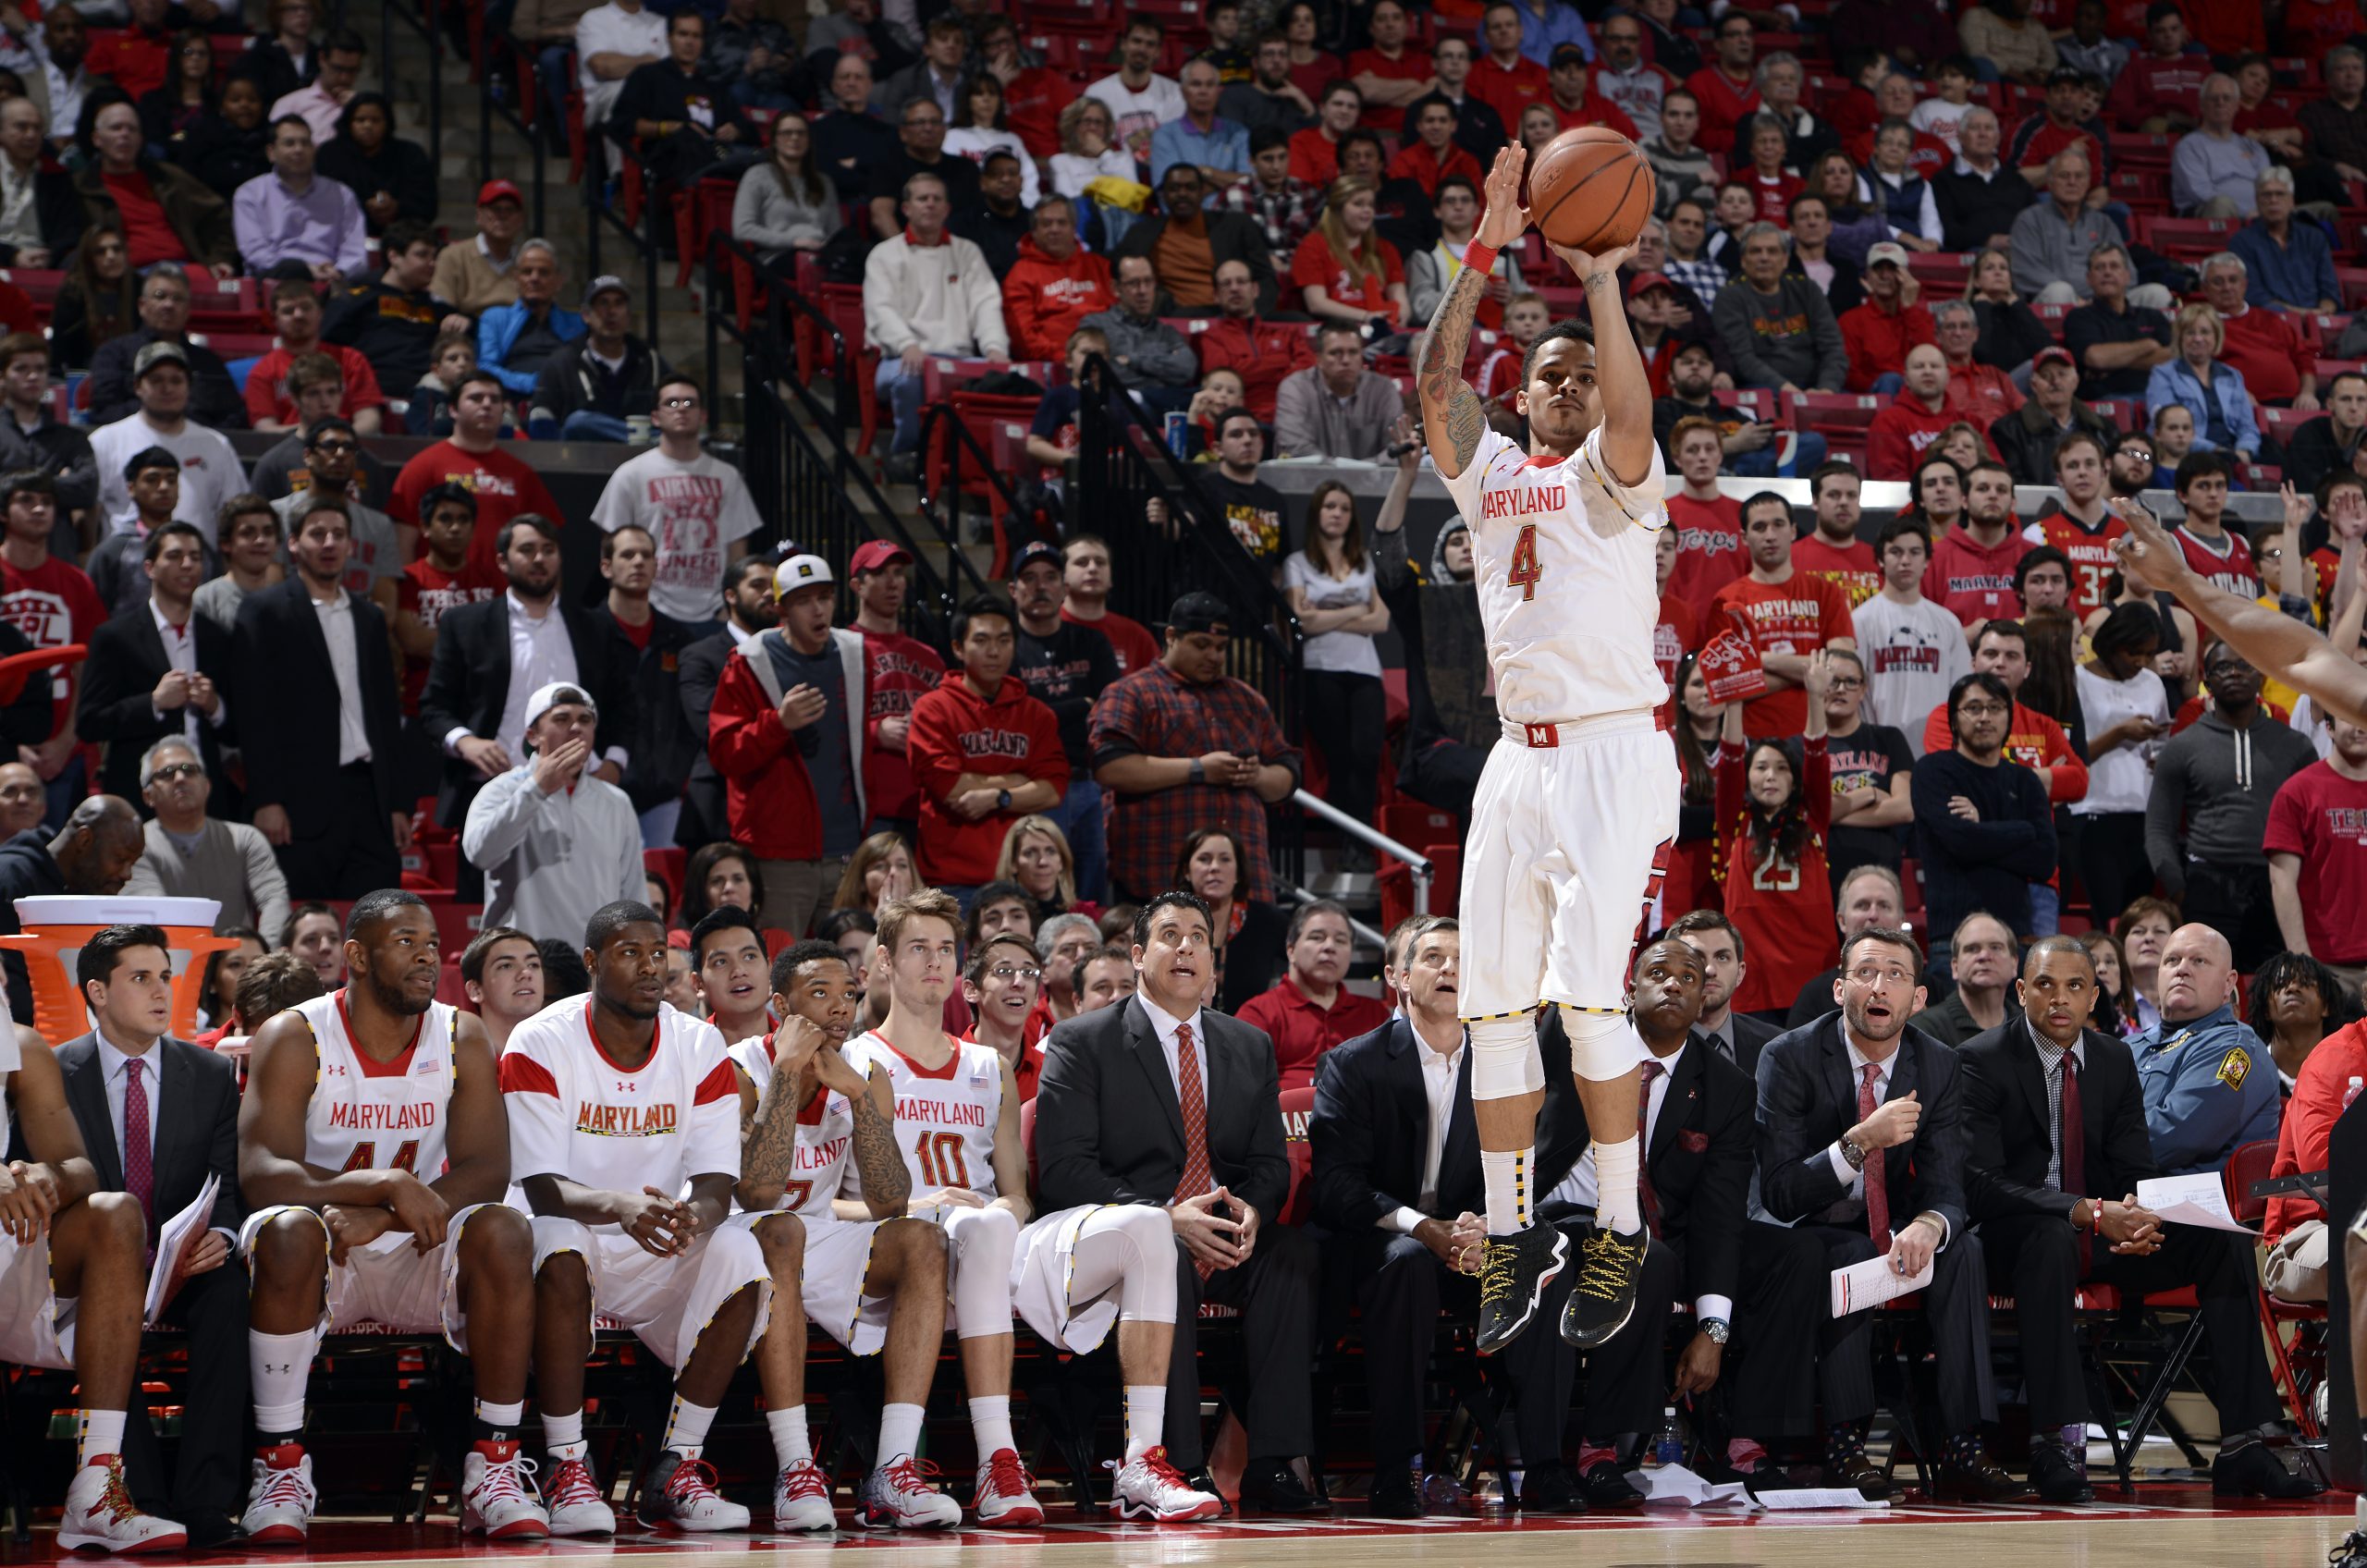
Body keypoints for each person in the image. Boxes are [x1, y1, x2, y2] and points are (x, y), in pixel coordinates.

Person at [1414, 140, 1675, 1355]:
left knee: (1588, 1000)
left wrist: (1603, 279)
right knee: (1499, 1010)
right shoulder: (1495, 476)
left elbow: (1632, 408)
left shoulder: (1617, 480)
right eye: (1551, 373)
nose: (1568, 386)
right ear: (1525, 395)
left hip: (1616, 754)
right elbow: (1430, 387)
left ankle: (1620, 1227)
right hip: (1516, 760)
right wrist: (1487, 242)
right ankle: (1514, 1238)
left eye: (1580, 374)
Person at [1959, 936, 2318, 1501]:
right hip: (2017, 1236)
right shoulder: (1982, 1059)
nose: (2060, 999)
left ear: (2093, 998)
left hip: (2102, 1229)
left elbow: (2135, 1164)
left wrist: (2138, 1216)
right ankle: (2055, 1443)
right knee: (2053, 1236)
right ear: (2022, 991)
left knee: (2216, 1240)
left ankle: (2247, 1443)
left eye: (2075, 986)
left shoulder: (2112, 1058)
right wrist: (2085, 1211)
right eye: (2046, 985)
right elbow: (1980, 1183)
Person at [234, 892, 546, 1542]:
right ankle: (280, 1467)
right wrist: (380, 1185)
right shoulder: (296, 1034)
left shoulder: (461, 1034)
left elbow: (489, 1167)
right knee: (289, 1230)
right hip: (321, 1249)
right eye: (405, 942)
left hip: (410, 1244)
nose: (427, 955)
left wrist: (386, 1215)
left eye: (432, 943)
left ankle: (494, 1464)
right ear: (356, 955)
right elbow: (262, 1171)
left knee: (505, 1228)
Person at [1033, 889, 1319, 1509]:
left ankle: (1274, 1465)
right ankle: (1177, 1465)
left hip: (1221, 1231)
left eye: (1198, 936)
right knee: (1159, 1259)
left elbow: (1271, 1163)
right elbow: (1064, 1170)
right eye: (1169, 934)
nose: (1186, 945)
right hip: (1130, 1233)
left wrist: (1251, 1213)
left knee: (1290, 1254)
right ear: (1138, 954)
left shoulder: (1247, 1045)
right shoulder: (1083, 1041)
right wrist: (1164, 1218)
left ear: (1214, 965)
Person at [502, 900, 770, 1533]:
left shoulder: (699, 1042)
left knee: (741, 1254)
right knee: (563, 1241)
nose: (650, 968)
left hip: (654, 1234)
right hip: (563, 1237)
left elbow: (715, 1181)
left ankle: (677, 1466)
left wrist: (693, 1220)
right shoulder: (539, 1039)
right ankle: (569, 1467)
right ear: (593, 962)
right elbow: (541, 1188)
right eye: (630, 954)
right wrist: (622, 1207)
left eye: (658, 954)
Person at [1310, 917, 1588, 1514]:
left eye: (1463, 960)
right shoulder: (1353, 1064)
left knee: (1547, 1267)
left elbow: (1527, 1165)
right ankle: (1396, 1468)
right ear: (1401, 977)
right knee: (1408, 1263)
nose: (1450, 970)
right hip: (1382, 1245)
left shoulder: (1506, 1065)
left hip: (1473, 1241)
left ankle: (1544, 1464)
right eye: (1433, 958)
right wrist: (1422, 1227)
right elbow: (1336, 1186)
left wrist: (1493, 1224)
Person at [1756, 925, 2026, 1499]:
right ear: (1839, 989)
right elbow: (1778, 1192)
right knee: (1850, 1251)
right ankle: (1846, 1444)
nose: (1880, 987)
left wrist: (1930, 1225)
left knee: (1963, 1249)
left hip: (1898, 1228)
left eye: (1897, 976)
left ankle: (1963, 1444)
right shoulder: (1788, 1057)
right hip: (1812, 1233)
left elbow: (1948, 1184)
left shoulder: (1939, 1064)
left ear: (1919, 998)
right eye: (1866, 973)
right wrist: (1857, 1144)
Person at [724, 939, 968, 1531]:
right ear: (780, 1006)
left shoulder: (865, 1074)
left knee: (922, 1241)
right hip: (735, 1242)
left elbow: (889, 1201)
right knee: (779, 1229)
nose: (841, 1008)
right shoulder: (738, 1069)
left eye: (849, 995)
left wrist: (858, 1095)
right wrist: (787, 1072)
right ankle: (795, 1467)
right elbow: (755, 1193)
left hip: (818, 1239)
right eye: (820, 994)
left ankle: (894, 1468)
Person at [828, 888, 1044, 1524]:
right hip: (885, 1252)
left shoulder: (987, 1065)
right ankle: (981, 1464)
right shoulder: (853, 1059)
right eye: (919, 948)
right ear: (884, 964)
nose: (935, 962)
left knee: (987, 1224)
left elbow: (1016, 1191)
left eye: (946, 949)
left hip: (977, 1246)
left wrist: (1008, 1216)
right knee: (958, 1229)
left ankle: (997, 1469)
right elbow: (823, 1202)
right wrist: (918, 1204)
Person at [51, 922, 251, 1542]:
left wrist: (222, 1231)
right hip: (96, 1267)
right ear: (98, 993)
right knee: (100, 1309)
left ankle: (207, 1503)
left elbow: (230, 1182)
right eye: (141, 978)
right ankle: (135, 1497)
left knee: (229, 1291)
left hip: (180, 1265)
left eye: (167, 976)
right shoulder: (55, 1074)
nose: (162, 991)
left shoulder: (211, 1074)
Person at [0, 1017, 189, 1547]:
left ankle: (96, 1486)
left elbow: (80, 1168)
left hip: (8, 1246)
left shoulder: (19, 1043)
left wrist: (46, 1177)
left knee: (114, 1213)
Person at [420, 514, 633, 846]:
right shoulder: (466, 625)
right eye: (527, 549)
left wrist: (615, 763)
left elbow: (624, 705)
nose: (539, 559)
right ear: (503, 560)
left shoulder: (595, 628)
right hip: (492, 790)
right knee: (482, 898)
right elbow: (434, 706)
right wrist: (466, 742)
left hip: (581, 790)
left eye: (548, 550)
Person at [233, 500, 404, 899]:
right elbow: (254, 713)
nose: (329, 543)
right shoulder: (264, 611)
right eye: (317, 534)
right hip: (298, 803)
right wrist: (267, 798)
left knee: (378, 925)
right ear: (293, 544)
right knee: (303, 931)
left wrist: (396, 803)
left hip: (369, 802)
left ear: (350, 546)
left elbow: (385, 714)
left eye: (339, 535)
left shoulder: (370, 618)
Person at [1090, 590, 1299, 905]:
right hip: (1158, 878)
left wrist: (1257, 776)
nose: (1213, 656)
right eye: (1201, 645)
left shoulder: (1247, 699)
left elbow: (1287, 774)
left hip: (1244, 886)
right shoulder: (1132, 692)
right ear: (1171, 637)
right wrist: (1199, 769)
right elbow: (1110, 766)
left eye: (1220, 648)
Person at [707, 554, 869, 937]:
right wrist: (778, 723)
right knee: (781, 962)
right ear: (779, 608)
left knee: (844, 963)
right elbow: (725, 751)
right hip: (779, 853)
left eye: (825, 597)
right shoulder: (749, 661)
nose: (818, 610)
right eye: (803, 601)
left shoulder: (855, 653)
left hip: (846, 844)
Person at [2143, 639, 2319, 968]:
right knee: (2206, 989)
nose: (2235, 673)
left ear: (2261, 676)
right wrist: (2180, 890)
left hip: (2277, 885)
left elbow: (2315, 828)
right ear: (2206, 682)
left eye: (2245, 665)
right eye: (2223, 667)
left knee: (2275, 990)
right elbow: (2158, 828)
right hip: (2206, 883)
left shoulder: (2296, 746)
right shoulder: (2182, 746)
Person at [905, 593, 1066, 899]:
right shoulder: (933, 708)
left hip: (1023, 878)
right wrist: (1020, 782)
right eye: (981, 640)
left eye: (1004, 640)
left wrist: (997, 797)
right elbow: (951, 788)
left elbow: (1053, 790)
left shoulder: (1036, 713)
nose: (994, 651)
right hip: (950, 879)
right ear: (958, 648)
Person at [462, 682, 644, 944]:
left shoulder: (616, 802)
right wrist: (537, 790)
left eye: (585, 720)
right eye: (561, 719)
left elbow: (634, 891)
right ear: (533, 735)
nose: (576, 728)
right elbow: (480, 853)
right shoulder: (501, 790)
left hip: (595, 963)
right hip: (524, 962)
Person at [1713, 651, 1839, 1014]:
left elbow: (1816, 754)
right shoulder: (1734, 821)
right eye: (1761, 767)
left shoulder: (1813, 819)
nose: (1770, 775)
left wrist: (1816, 696)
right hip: (1753, 976)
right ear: (1748, 777)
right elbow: (1731, 755)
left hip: (1811, 969)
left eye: (1782, 768)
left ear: (1794, 779)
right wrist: (1734, 698)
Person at [74, 521, 231, 802]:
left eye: (195, 557)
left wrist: (215, 707)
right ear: (150, 568)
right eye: (174, 556)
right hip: (138, 795)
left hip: (207, 795)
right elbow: (90, 723)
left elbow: (239, 729)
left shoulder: (217, 636)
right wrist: (153, 703)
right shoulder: (114, 637)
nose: (187, 565)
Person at [861, 171, 1004, 473]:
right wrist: (907, 345)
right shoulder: (884, 254)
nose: (930, 204)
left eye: (937, 199)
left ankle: (975, 464)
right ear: (906, 209)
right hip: (901, 357)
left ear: (947, 209)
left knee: (1003, 381)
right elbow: (881, 309)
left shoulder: (967, 252)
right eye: (922, 198)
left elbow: (986, 303)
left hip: (958, 358)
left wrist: (994, 347)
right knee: (909, 379)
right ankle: (907, 453)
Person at [2125, 922, 2284, 1177]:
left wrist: (2090, 1144)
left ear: (2229, 983)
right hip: (2115, 1202)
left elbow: (2177, 1135)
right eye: (2172, 960)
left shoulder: (2237, 1050)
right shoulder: (2126, 1047)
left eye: (2199, 961)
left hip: (2187, 1212)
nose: (2182, 970)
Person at [1915, 671, 2058, 946]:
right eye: (1973, 708)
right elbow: (1960, 842)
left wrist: (1980, 829)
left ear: (2008, 717)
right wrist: (2024, 829)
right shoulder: (1933, 770)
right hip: (1953, 937)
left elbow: (2044, 859)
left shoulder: (2025, 780)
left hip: (2016, 936)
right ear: (1954, 720)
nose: (1984, 717)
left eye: (1994, 708)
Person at [1711, 492, 1858, 739]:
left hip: (1819, 733)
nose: (1770, 535)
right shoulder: (1727, 601)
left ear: (1792, 531)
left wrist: (1763, 659)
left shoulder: (1826, 592)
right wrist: (1811, 674)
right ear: (1745, 538)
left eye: (1778, 525)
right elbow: (1727, 684)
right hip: (1752, 738)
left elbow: (1841, 668)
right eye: (1760, 527)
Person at [118, 736, 285, 937]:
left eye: (190, 770)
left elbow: (274, 899)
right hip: (171, 963)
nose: (180, 778)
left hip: (240, 963)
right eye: (167, 773)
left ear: (207, 786)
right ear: (148, 796)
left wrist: (264, 957)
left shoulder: (245, 838)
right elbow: (153, 916)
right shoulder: (135, 846)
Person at [2071, 601, 2171, 923]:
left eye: (2149, 654)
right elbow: (2072, 757)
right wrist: (2119, 734)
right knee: (2108, 917)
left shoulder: (2152, 682)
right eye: (2134, 652)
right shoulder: (2078, 680)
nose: (2141, 662)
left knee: (2137, 921)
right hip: (2094, 812)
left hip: (2143, 812)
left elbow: (2162, 743)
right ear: (2113, 643)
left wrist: (2160, 756)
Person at [69, 94, 237, 277]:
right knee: (160, 296)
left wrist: (220, 259)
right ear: (97, 139)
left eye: (132, 129)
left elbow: (217, 214)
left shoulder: (167, 177)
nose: (124, 135)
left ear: (140, 140)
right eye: (116, 128)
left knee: (233, 288)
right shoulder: (82, 187)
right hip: (131, 281)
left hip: (187, 272)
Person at [1235, 900, 1389, 1092]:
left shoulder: (1374, 1015)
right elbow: (1243, 1090)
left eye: (1341, 940)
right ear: (1291, 950)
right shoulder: (1258, 1013)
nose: (1329, 947)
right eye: (1317, 937)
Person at [2267, 707, 2367, 987]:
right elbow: (2282, 881)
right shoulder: (2297, 791)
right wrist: (2303, 961)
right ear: (2329, 729)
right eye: (2351, 717)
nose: (2361, 727)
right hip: (2327, 966)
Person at [1855, 516, 1972, 750]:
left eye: (1915, 552)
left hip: (1936, 749)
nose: (1905, 561)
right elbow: (1853, 694)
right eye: (1896, 552)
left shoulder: (1948, 623)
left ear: (1927, 560)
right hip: (1876, 748)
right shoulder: (1860, 620)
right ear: (1880, 559)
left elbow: (1962, 693)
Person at [84, 264, 246, 432]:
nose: (168, 304)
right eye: (160, 296)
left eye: (178, 298)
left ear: (188, 310)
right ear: (142, 306)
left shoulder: (208, 361)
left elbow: (235, 416)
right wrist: (161, 415)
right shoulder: (113, 354)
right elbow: (104, 412)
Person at [526, 276, 666, 442]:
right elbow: (541, 418)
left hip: (642, 460)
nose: (611, 311)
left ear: (628, 315)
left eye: (619, 303)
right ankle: (640, 437)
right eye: (603, 303)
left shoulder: (651, 360)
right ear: (586, 315)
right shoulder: (560, 363)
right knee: (578, 422)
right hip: (580, 459)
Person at [231, 116, 365, 280]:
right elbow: (255, 252)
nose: (298, 150)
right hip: (274, 280)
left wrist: (339, 271)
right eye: (289, 143)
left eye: (305, 143)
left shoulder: (341, 194)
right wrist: (304, 271)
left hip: (331, 280)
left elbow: (355, 250)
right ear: (271, 152)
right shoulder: (250, 193)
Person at [1195, 260, 1312, 423]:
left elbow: (1308, 373)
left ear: (1255, 289)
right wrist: (1282, 361)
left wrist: (1247, 367)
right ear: (1216, 296)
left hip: (1292, 417)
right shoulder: (1210, 337)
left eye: (1241, 281)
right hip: (1239, 424)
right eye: (1226, 284)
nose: (1234, 288)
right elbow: (1226, 378)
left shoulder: (1286, 334)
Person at [1079, 256, 1196, 413]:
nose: (1143, 291)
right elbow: (1099, 372)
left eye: (1148, 282)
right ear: (1116, 288)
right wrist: (1163, 369)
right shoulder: (1096, 325)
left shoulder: (1167, 332)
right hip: (1118, 405)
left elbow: (1187, 368)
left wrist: (1133, 361)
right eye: (1134, 283)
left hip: (1165, 403)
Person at [1001, 202, 1112, 366]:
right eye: (1046, 224)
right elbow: (1023, 339)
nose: (1055, 229)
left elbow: (1120, 319)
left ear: (1074, 228)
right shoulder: (1020, 274)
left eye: (1062, 223)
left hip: (1106, 360)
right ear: (1034, 232)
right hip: (1052, 365)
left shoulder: (1100, 266)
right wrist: (1068, 359)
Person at [2146, 303, 2259, 463]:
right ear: (2180, 338)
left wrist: (2245, 451)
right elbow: (2168, 428)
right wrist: (2216, 451)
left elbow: (2248, 427)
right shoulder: (2163, 374)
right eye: (2190, 333)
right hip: (2185, 456)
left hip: (2232, 456)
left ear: (2216, 336)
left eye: (2205, 332)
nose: (2198, 338)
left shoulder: (2232, 375)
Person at [731, 112, 840, 275]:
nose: (795, 138)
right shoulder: (758, 175)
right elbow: (742, 229)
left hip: (820, 255)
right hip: (777, 257)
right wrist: (794, 242)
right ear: (775, 140)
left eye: (801, 133)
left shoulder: (824, 182)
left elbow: (835, 232)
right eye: (787, 133)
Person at [2065, 242, 2173, 401]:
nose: (2107, 272)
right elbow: (2096, 358)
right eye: (2100, 267)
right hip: (2109, 399)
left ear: (2127, 276)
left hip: (2156, 394)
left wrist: (2114, 362)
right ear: (2089, 279)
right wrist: (2148, 345)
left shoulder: (2152, 316)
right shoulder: (2079, 317)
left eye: (2114, 266)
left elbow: (2172, 357)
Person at [314, 92, 434, 235]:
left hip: (402, 235)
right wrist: (365, 207)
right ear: (349, 122)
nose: (368, 126)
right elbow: (323, 201)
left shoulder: (410, 154)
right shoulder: (330, 154)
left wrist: (396, 208)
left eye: (376, 120)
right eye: (360, 120)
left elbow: (427, 204)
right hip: (342, 233)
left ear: (387, 122)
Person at [475, 242, 584, 399]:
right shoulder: (495, 318)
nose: (534, 278)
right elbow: (486, 367)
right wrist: (534, 383)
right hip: (510, 399)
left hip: (563, 399)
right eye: (527, 272)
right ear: (516, 279)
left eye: (544, 272)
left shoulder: (577, 323)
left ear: (559, 281)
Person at [2228, 166, 2339, 314]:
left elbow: (2329, 288)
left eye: (2280, 194)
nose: (2273, 200)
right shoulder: (2241, 242)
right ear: (2257, 201)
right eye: (2266, 195)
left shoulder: (2314, 237)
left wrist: (2326, 308)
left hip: (2318, 317)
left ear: (2291, 201)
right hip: (2272, 320)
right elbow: (2254, 295)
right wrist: (2301, 314)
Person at [1908, 912, 2025, 1045]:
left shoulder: (2030, 1029)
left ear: (2014, 964)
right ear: (1955, 967)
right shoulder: (1922, 1031)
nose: (1984, 955)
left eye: (1995, 947)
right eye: (1972, 949)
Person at [1934, 107, 2033, 255]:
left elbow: (2037, 221)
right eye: (1975, 128)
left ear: (1997, 138)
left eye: (1988, 128)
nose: (1982, 134)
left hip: (2021, 251)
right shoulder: (1943, 181)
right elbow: (1948, 231)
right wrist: (1987, 241)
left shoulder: (2015, 179)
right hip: (1974, 255)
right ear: (1960, 137)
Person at [1867, 343, 1963, 481]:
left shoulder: (1969, 422)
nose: (1927, 371)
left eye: (1934, 366)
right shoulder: (1888, 421)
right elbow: (1890, 481)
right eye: (1919, 366)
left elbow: (1992, 472)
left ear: (1948, 375)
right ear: (1906, 378)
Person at [430, 180, 527, 316]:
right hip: (467, 332)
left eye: (510, 210)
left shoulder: (529, 261)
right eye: (495, 209)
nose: (503, 216)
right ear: (478, 216)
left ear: (521, 219)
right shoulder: (453, 256)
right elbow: (441, 308)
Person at [460, 925, 544, 1050]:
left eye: (533, 964)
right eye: (506, 966)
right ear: (475, 990)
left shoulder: (564, 1049)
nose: (526, 973)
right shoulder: (456, 1062)